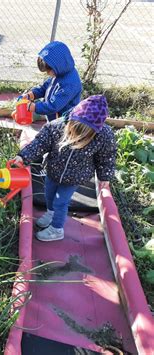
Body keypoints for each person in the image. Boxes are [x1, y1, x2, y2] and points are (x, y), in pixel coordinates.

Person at [12, 95, 117, 242]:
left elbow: (107, 157)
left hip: (75, 177)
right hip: (53, 170)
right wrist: (23, 156)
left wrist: (105, 176)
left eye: (84, 134)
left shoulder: (103, 135)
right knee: (49, 195)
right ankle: (50, 213)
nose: (78, 137)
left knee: (61, 202)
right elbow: (40, 143)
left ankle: (57, 229)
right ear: (72, 119)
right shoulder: (57, 126)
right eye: (76, 130)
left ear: (95, 130)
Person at [18, 41, 82, 122]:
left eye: (49, 70)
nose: (48, 73)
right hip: (54, 118)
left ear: (59, 65)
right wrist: (32, 94)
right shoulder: (60, 72)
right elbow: (46, 87)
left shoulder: (70, 84)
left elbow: (53, 106)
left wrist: (34, 107)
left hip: (63, 123)